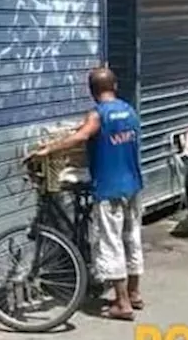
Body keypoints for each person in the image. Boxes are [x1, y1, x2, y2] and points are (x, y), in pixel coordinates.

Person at [27, 66, 144, 321]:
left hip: (110, 188)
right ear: (114, 87)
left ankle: (122, 304)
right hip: (133, 185)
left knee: (111, 243)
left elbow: (80, 137)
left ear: (92, 91)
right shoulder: (129, 110)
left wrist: (49, 150)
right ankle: (134, 294)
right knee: (131, 238)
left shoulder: (98, 115)